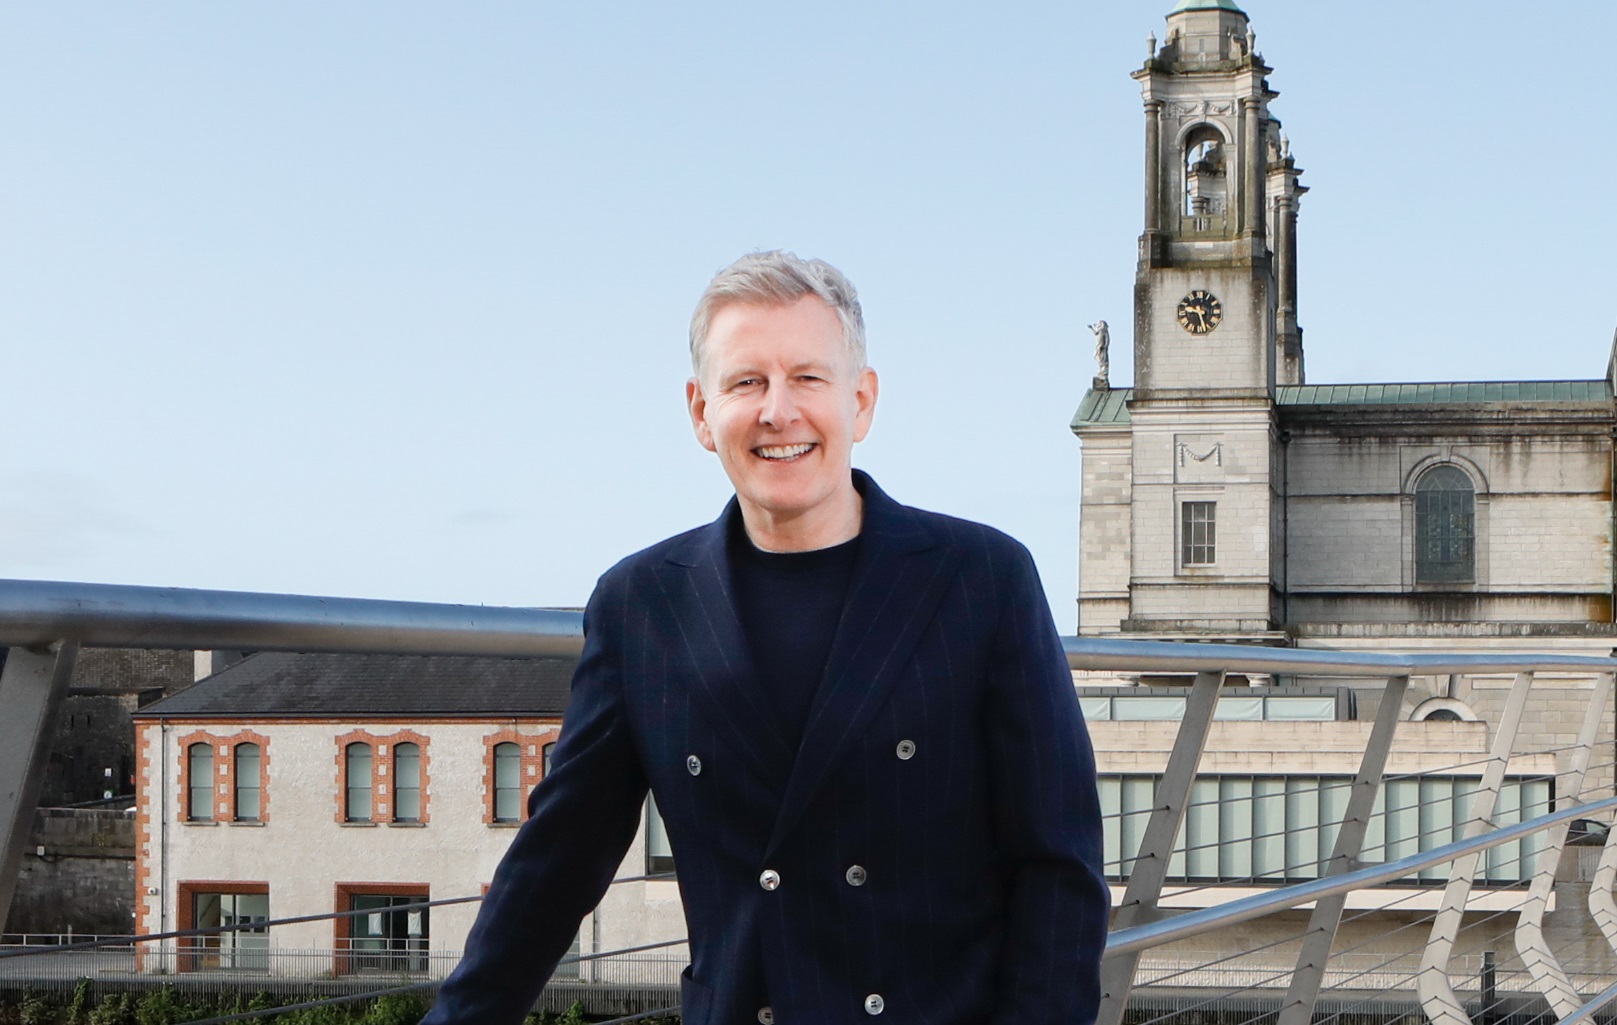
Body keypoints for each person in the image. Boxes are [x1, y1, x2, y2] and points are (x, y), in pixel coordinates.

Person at [424, 251, 1108, 1025]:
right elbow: (557, 860)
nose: (777, 410)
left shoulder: (981, 578)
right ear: (699, 412)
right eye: (746, 381)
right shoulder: (641, 603)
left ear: (862, 400)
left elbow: (1058, 865)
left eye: (807, 378)